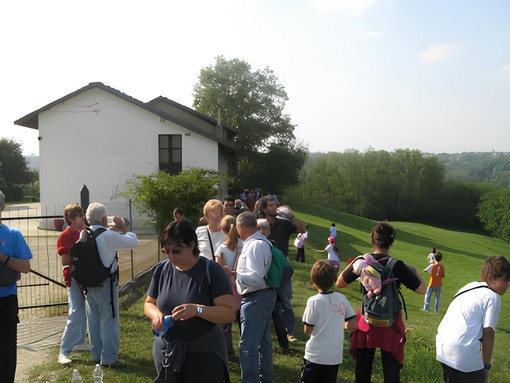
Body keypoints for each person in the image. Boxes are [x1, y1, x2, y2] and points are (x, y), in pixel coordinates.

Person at [144, 220, 235, 382]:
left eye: (177, 251)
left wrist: (197, 310)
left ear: (192, 244)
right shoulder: (162, 269)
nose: (171, 256)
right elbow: (149, 303)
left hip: (203, 355)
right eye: (166, 251)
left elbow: (229, 313)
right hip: (167, 351)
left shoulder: (211, 270)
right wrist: (156, 315)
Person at [335, 222, 426, 383]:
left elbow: (340, 282)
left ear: (373, 240)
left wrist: (356, 262)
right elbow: (422, 289)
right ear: (391, 243)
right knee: (391, 372)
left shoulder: (363, 262)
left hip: (367, 321)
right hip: (389, 324)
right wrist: (411, 269)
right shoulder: (397, 265)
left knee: (363, 369)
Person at [436, 256, 510, 383]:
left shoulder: (469, 287)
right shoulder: (492, 296)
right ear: (492, 278)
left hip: (443, 347)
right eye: (506, 280)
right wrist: (486, 367)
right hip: (462, 351)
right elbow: (488, 333)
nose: (509, 284)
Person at [83, 202, 138, 366]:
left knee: (93, 317)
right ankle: (109, 357)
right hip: (105, 282)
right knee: (109, 318)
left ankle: (96, 354)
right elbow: (132, 242)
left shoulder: (84, 234)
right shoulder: (107, 235)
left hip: (88, 283)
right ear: (103, 218)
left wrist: (112, 230)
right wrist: (123, 229)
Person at [236, 212, 277, 383]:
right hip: (262, 296)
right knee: (262, 342)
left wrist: (235, 275)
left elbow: (256, 277)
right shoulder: (259, 242)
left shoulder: (255, 245)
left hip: (256, 297)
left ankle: (252, 379)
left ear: (241, 227)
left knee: (248, 346)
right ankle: (265, 378)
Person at [259, 196, 306, 343]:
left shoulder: (284, 223)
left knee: (285, 299)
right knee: (264, 297)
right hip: (263, 265)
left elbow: (302, 229)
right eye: (271, 205)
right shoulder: (259, 224)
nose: (274, 207)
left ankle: (289, 331)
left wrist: (290, 215)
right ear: (264, 209)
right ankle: (266, 329)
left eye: (275, 205)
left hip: (281, 266)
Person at [301, 260, 357, 383]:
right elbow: (353, 324)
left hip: (315, 356)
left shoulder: (314, 301)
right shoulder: (341, 298)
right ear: (333, 279)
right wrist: (337, 324)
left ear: (314, 281)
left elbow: (307, 330)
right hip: (334, 357)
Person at [0, 191, 32, 383]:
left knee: (6, 350)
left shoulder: (13, 235)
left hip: (6, 301)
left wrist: (3, 258)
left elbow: (25, 267)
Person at [57, 204, 88, 365]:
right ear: (70, 219)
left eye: (83, 214)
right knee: (75, 311)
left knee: (83, 310)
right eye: (79, 215)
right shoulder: (65, 236)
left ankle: (79, 341)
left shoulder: (84, 232)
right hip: (74, 278)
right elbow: (66, 260)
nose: (83, 218)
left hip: (86, 277)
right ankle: (64, 350)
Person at [257, 218, 291, 354]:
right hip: (273, 287)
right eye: (260, 228)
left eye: (264, 228)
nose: (262, 231)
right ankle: (280, 346)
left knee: (274, 316)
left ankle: (281, 346)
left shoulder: (270, 246)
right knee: (275, 316)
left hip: (268, 287)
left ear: (269, 231)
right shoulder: (273, 245)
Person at [214, 215, 243, 362]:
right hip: (242, 287)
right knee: (243, 321)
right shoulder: (244, 245)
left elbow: (217, 269)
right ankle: (245, 351)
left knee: (226, 321)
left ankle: (228, 350)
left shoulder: (221, 249)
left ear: (222, 230)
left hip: (226, 289)